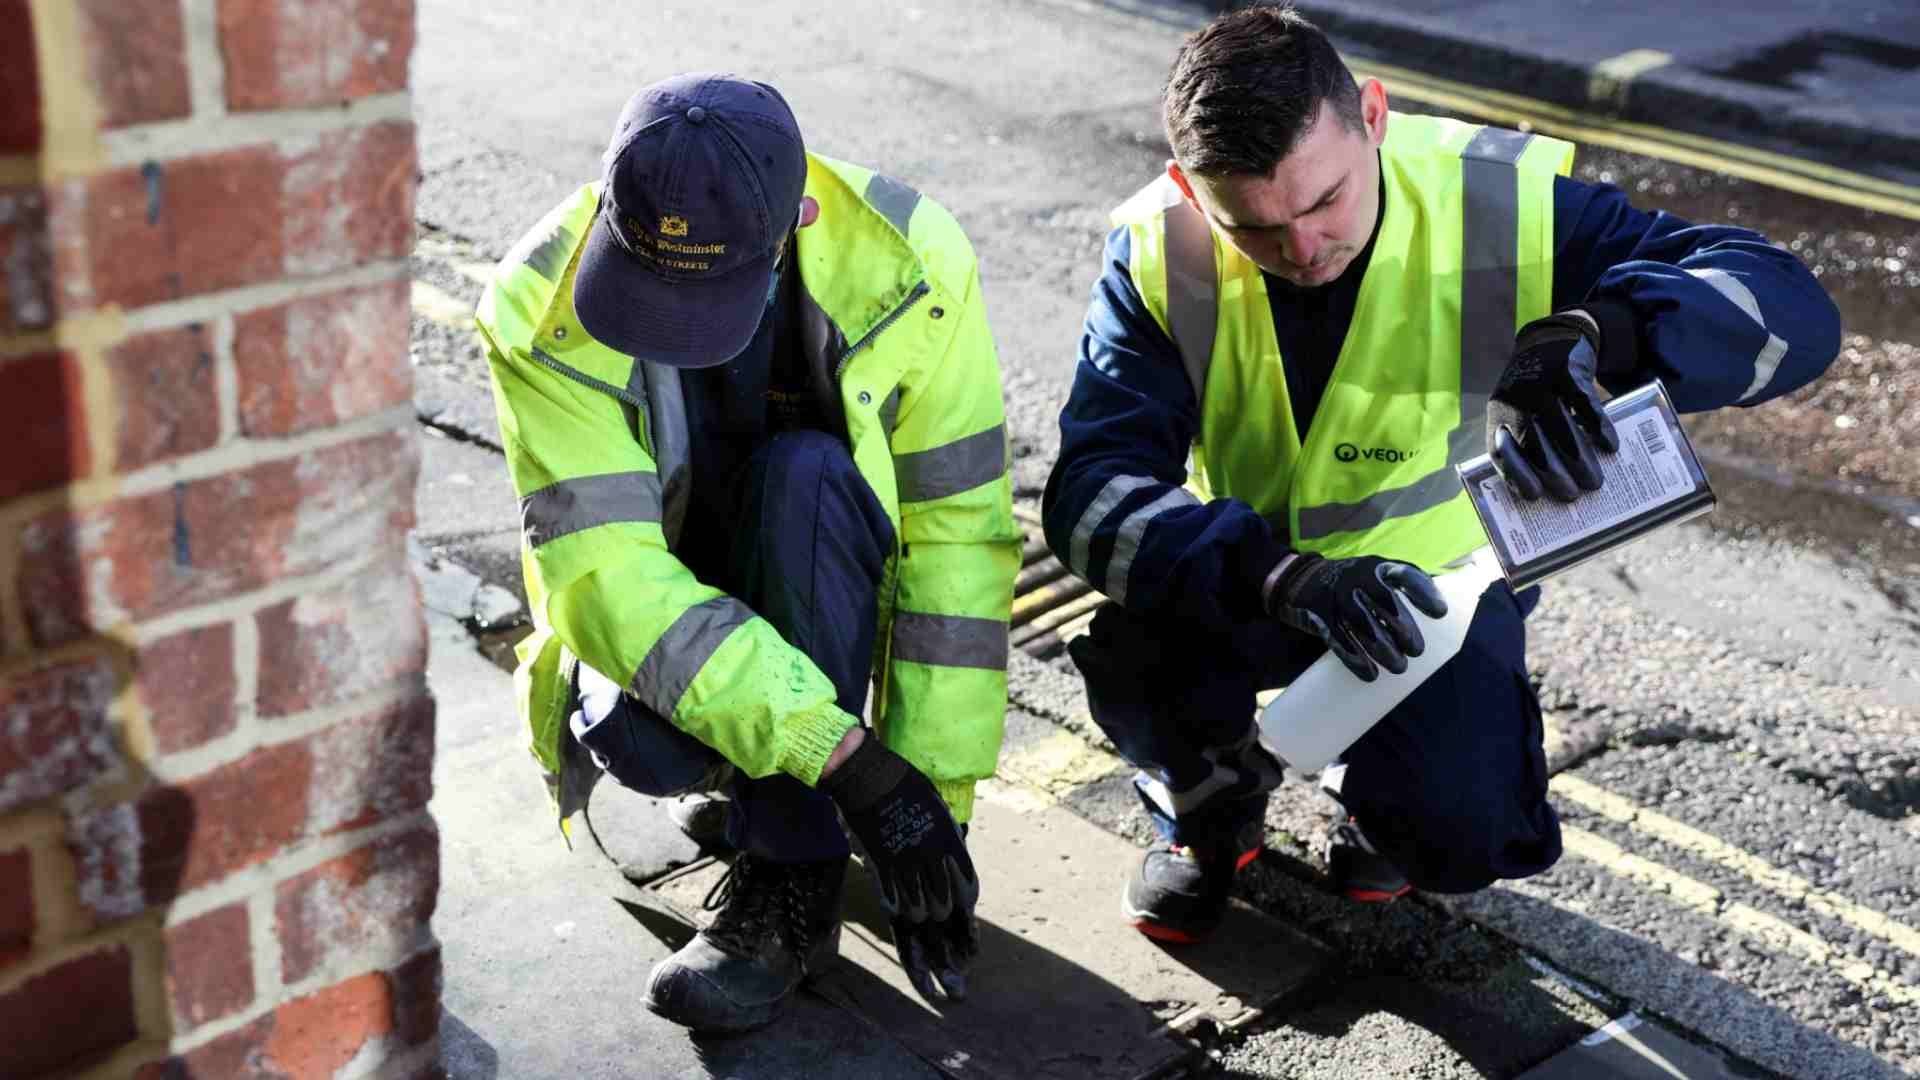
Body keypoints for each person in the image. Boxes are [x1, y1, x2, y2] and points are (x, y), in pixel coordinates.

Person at [1042, 4, 1839, 944]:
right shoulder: (1158, 249)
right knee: (1137, 648)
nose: (1303, 250)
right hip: (1256, 582)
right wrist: (1282, 577)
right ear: (1189, 184)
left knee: (1462, 835)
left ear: (1372, 115)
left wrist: (1593, 332)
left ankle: (1372, 796)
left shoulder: (1499, 199)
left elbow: (1791, 311)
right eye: (1254, 228)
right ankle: (1208, 799)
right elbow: (1091, 493)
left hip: (1439, 597)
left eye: (1323, 200)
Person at [475, 72, 1020, 1032]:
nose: (673, 332)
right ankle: (794, 858)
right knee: (640, 740)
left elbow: (958, 545)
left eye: (706, 299)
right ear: (609, 206)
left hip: (820, 564)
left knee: (802, 478)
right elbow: (610, 580)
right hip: (663, 619)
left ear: (798, 217)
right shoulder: (535, 305)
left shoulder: (914, 266)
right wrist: (846, 762)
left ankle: (783, 840)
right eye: (646, 291)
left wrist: (927, 800)